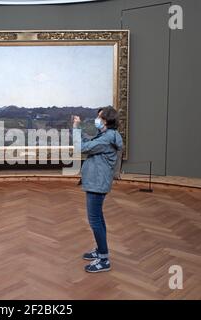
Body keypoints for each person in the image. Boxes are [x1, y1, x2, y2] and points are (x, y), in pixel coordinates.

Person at [73, 107, 123, 273]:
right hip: (98, 182)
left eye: (99, 117)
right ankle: (101, 250)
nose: (97, 119)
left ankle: (103, 259)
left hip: (97, 183)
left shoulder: (106, 138)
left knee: (95, 220)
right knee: (98, 219)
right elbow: (89, 145)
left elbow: (82, 147)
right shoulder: (107, 136)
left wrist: (76, 128)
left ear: (106, 121)